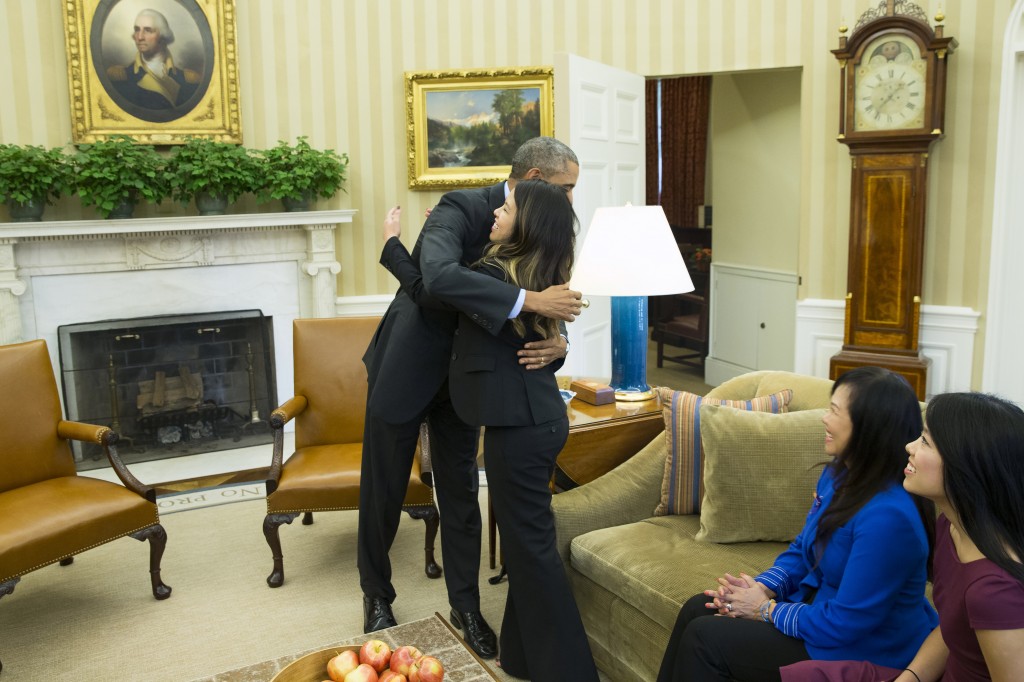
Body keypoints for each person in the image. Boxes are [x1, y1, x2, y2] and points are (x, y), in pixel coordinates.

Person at [358, 137, 582, 660]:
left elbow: (547, 298)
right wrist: (525, 299)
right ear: (533, 178)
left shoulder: (542, 222)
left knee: (461, 495)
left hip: (472, 382)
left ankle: (466, 607)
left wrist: (558, 343)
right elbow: (436, 281)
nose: (570, 200)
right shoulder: (462, 207)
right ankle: (376, 595)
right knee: (385, 487)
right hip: (407, 365)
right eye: (566, 188)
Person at [656, 366, 939, 682]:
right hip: (824, 617)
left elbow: (844, 623)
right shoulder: (839, 473)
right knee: (698, 607)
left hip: (861, 648)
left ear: (867, 429)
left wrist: (766, 610)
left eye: (834, 411)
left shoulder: (889, 519)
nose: (824, 419)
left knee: (705, 640)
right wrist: (762, 587)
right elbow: (804, 549)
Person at [448, 179, 598, 681]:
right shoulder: (535, 279)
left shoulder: (498, 274)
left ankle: (569, 672)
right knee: (523, 545)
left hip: (524, 428)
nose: (496, 211)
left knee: (531, 552)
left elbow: (437, 285)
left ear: (527, 222)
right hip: (533, 422)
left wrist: (399, 249)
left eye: (507, 207)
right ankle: (521, 656)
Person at [780, 392, 1024, 682]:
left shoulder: (995, 591)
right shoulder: (952, 526)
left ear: (966, 466)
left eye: (925, 441)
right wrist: (909, 678)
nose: (909, 446)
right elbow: (952, 630)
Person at [105, 9, 200, 110]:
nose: (140, 37)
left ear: (162, 36)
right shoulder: (119, 77)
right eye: (137, 29)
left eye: (148, 30)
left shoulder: (189, 80)